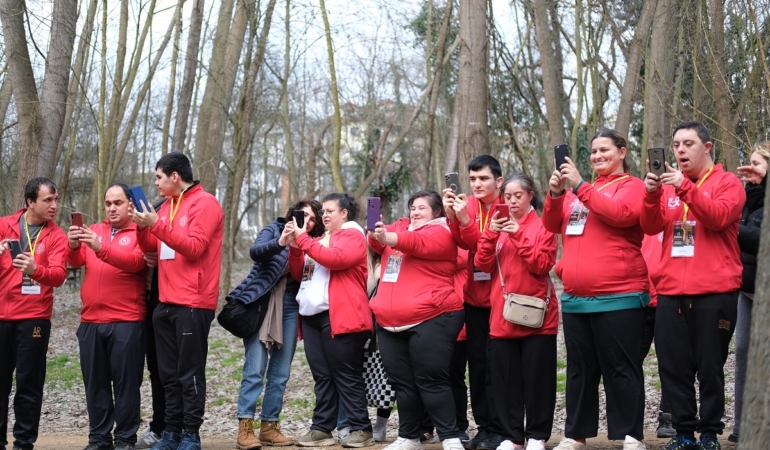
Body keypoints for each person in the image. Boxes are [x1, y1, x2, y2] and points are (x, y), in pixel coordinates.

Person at [640, 122, 745, 450]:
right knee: (673, 368)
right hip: (671, 292)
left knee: (711, 368)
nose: (680, 150)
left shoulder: (728, 183)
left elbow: (717, 216)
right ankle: (683, 433)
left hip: (715, 292)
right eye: (675, 145)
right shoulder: (669, 187)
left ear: (708, 147)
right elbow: (650, 224)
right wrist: (651, 192)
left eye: (688, 143)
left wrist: (684, 187)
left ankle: (710, 433)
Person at [542, 129, 649, 450]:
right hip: (576, 299)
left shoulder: (633, 186)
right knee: (579, 371)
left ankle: (631, 435)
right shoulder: (577, 194)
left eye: (604, 150)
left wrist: (579, 185)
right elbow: (551, 224)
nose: (597, 156)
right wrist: (556, 194)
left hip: (620, 296)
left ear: (622, 152)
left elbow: (620, 214)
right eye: (592, 151)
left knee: (621, 368)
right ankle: (576, 434)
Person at [133, 152, 224, 450]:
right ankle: (171, 433)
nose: (156, 183)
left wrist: (156, 225)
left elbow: (195, 248)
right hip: (165, 301)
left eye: (159, 177)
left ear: (174, 176)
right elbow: (149, 246)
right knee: (167, 375)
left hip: (194, 302)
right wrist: (142, 223)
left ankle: (191, 434)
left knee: (189, 373)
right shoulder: (167, 206)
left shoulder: (205, 203)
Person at [368, 189, 465, 450]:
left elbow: (415, 244)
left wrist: (387, 236)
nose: (415, 212)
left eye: (422, 208)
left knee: (432, 381)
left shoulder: (443, 232)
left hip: (433, 317)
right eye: (413, 207)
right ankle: (408, 436)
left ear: (437, 212)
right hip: (389, 323)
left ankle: (450, 436)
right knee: (403, 384)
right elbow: (377, 244)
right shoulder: (401, 229)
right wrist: (375, 232)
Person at [230, 199, 324, 449]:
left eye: (312, 218)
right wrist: (281, 242)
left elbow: (302, 275)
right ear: (292, 213)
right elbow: (255, 252)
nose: (306, 221)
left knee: (280, 372)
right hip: (262, 302)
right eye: (302, 214)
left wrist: (299, 244)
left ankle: (270, 426)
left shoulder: (312, 243)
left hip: (292, 306)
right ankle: (245, 426)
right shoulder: (274, 228)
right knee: (255, 368)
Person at [474, 173, 558, 450]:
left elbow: (541, 264)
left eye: (517, 196)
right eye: (507, 197)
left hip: (537, 315)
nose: (511, 202)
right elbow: (482, 264)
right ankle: (513, 437)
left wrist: (518, 234)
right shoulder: (496, 227)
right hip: (502, 315)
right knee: (505, 382)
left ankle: (537, 436)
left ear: (530, 195)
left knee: (538, 380)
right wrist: (490, 234)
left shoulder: (543, 225)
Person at [286, 193, 374, 448]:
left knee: (346, 374)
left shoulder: (352, 234)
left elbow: (336, 260)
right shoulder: (322, 239)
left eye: (329, 211)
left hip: (342, 315)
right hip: (313, 318)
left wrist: (303, 239)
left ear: (344, 213)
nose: (324, 215)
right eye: (322, 211)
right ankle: (321, 429)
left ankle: (361, 428)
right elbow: (300, 273)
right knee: (323, 376)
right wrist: (294, 246)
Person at [66, 184, 149, 450]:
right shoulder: (95, 230)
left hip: (126, 320)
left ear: (130, 205)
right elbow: (76, 261)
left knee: (126, 387)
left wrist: (101, 248)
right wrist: (72, 244)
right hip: (90, 322)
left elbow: (137, 263)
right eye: (108, 203)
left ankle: (125, 440)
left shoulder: (140, 231)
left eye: (118, 202)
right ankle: (99, 439)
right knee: (96, 386)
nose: (112, 208)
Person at [0, 177, 68, 450]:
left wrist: (34, 270)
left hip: (34, 319)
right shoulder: (3, 225)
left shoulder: (57, 235)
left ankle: (24, 443)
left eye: (55, 199)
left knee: (28, 384)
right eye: (47, 200)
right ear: (30, 202)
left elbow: (59, 275)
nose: (54, 205)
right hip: (2, 317)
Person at [442, 156, 504, 450]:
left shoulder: (508, 206)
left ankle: (504, 427)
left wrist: (464, 221)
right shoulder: (470, 207)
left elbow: (485, 250)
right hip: (474, 298)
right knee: (478, 367)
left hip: (504, 300)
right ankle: (485, 427)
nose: (477, 184)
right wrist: (453, 217)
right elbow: (462, 244)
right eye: (473, 179)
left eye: (484, 179)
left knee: (499, 366)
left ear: (498, 181)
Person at [729, 142, 768, 444]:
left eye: (759, 163)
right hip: (746, 290)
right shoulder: (744, 198)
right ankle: (741, 425)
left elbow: (758, 238)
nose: (751, 168)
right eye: (749, 162)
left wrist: (730, 227)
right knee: (742, 353)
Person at [639, 233, 674, 439]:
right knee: (630, 361)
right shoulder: (639, 206)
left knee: (671, 362)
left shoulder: (677, 205)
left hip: (668, 296)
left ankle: (669, 416)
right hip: (638, 295)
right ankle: (630, 420)